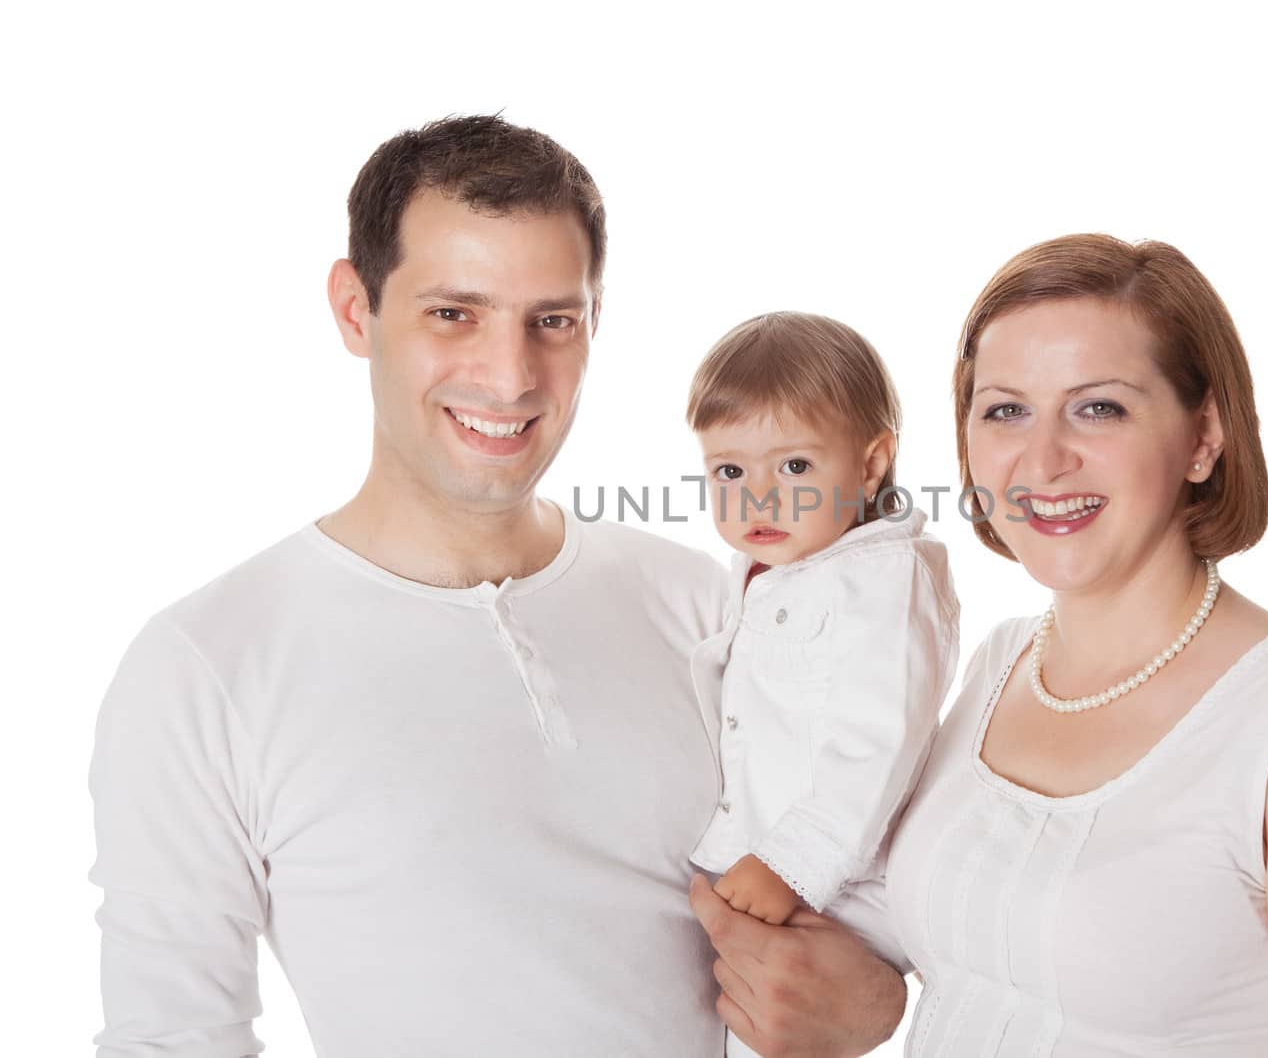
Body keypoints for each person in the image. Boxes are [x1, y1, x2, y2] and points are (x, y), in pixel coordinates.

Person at [88, 114, 903, 1056]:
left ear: (596, 321)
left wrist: (880, 996)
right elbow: (171, 1037)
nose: (510, 375)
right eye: (453, 312)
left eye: (551, 321)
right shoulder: (207, 665)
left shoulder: (713, 604)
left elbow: (857, 838)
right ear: (357, 310)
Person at [881, 234, 1268, 1055]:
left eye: (1098, 407)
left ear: (1204, 435)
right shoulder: (996, 665)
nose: (1043, 458)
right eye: (1006, 409)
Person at [682, 313, 961, 1055]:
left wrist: (790, 863)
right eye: (730, 472)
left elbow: (877, 743)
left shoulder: (883, 582)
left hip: (839, 886)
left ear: (871, 465)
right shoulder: (784, 570)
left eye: (795, 467)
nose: (759, 498)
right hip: (771, 874)